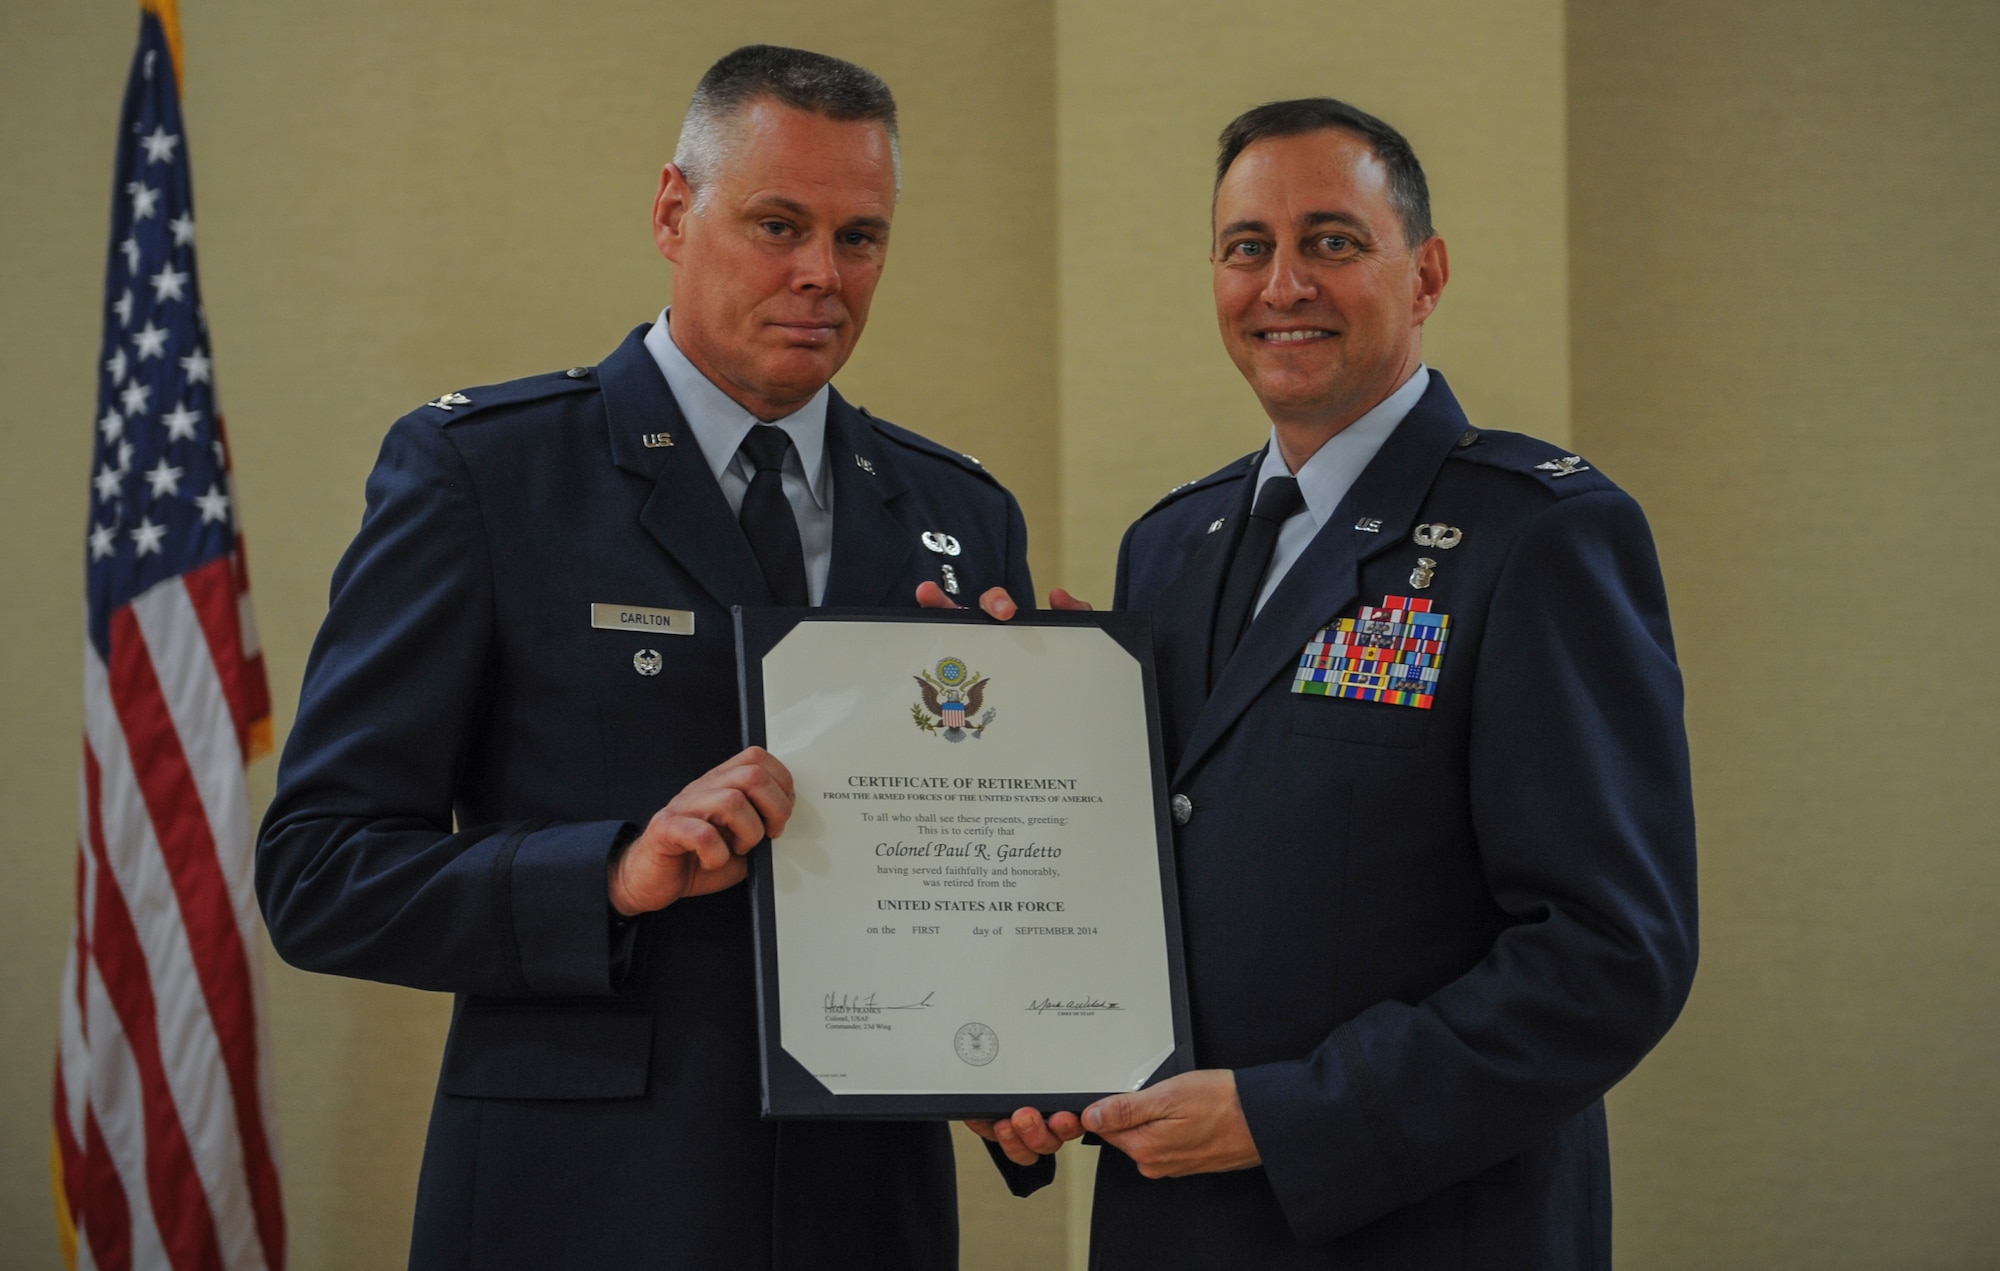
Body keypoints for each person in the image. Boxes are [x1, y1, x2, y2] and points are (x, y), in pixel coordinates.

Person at [257, 45, 1032, 1271]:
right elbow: (320, 874)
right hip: (578, 1197)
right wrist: (610, 873)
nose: (820, 275)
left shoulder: (956, 512)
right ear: (673, 211)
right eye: (777, 223)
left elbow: (975, 888)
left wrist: (1027, 1039)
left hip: (861, 1208)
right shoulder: (487, 475)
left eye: (860, 237)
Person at [957, 98, 1698, 1268]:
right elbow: (1151, 876)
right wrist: (1025, 1054)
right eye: (1247, 247)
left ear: (1425, 273)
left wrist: (1295, 1117)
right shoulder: (1170, 544)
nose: (1281, 283)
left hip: (1422, 1224)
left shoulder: (1538, 536)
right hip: (1171, 1223)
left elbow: (1608, 953)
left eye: (1330, 241)